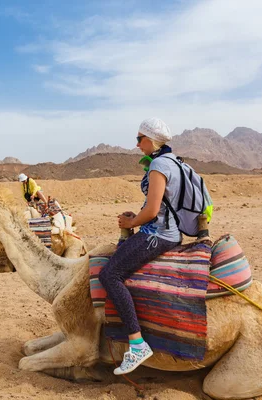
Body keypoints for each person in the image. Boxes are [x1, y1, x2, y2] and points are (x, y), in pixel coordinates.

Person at [98, 117, 183, 375]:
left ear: (150, 139)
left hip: (158, 234)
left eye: (139, 139)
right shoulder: (173, 161)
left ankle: (136, 343)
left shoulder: (159, 164)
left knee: (109, 275)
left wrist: (132, 220)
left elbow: (153, 209)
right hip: (168, 231)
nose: (136, 145)